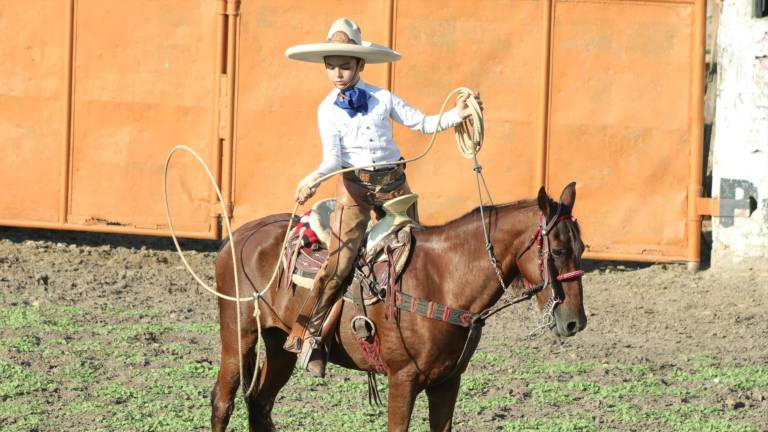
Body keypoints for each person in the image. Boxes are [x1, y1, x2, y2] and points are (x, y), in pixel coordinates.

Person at [283, 17, 482, 377]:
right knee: (340, 263)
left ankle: (422, 329)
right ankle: (310, 335)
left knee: (419, 255)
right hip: (355, 191)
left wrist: (459, 115)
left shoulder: (382, 98)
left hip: (395, 190)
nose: (338, 73)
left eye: (345, 65)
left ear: (361, 64)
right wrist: (312, 179)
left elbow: (421, 122)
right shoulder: (327, 110)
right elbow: (333, 159)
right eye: (332, 67)